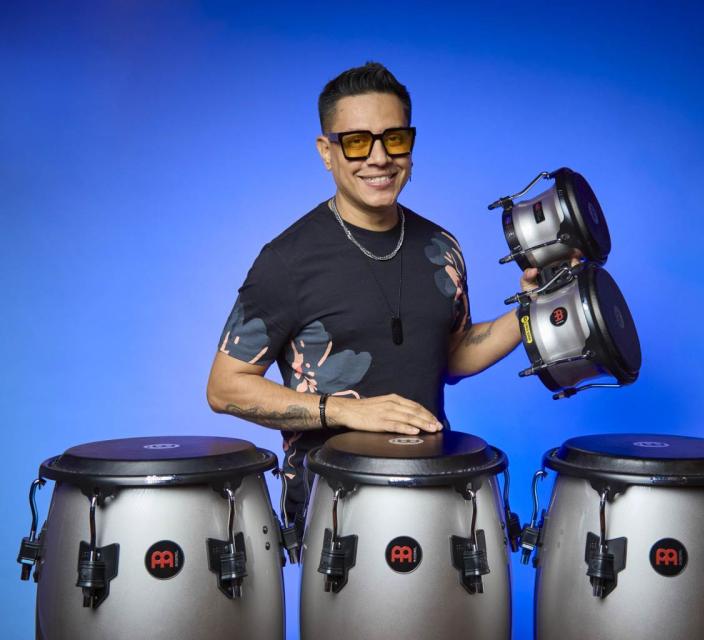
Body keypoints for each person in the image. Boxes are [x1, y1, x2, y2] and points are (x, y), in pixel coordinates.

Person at [206, 62, 537, 520]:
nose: (379, 158)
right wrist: (344, 411)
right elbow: (224, 388)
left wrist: (529, 310)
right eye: (357, 142)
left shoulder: (441, 248)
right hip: (333, 515)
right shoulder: (287, 260)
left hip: (434, 494)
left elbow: (451, 356)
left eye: (394, 138)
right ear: (327, 152)